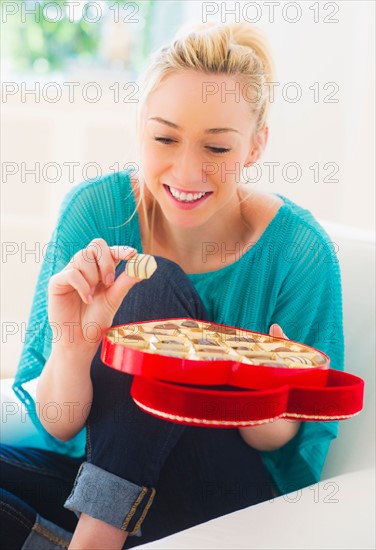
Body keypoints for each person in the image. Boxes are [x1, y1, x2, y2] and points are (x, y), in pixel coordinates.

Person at [0, 21, 344, 549]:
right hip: (88, 472)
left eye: (218, 149)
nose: (187, 171)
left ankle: (95, 539)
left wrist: (261, 391)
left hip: (218, 498)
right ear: (140, 129)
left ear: (255, 146)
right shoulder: (95, 211)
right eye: (165, 138)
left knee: (148, 282)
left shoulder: (299, 253)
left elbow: (285, 450)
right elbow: (60, 424)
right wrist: (75, 345)